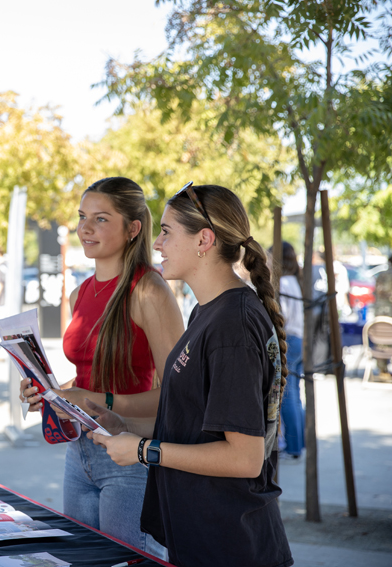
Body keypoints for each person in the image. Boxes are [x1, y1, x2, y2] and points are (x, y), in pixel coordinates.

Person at [87, 183, 293, 567]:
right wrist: (123, 424)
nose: (158, 244)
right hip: (203, 534)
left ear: (204, 240)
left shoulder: (233, 325)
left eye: (166, 232)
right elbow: (195, 424)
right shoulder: (209, 312)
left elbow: (244, 458)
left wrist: (141, 451)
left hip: (230, 542)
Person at [20, 177, 184, 555]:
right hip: (79, 453)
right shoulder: (80, 292)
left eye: (101, 218)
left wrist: (92, 399)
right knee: (81, 560)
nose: (85, 228)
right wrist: (50, 392)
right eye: (81, 217)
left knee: (124, 561)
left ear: (133, 228)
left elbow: (179, 394)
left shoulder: (149, 290)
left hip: (130, 456)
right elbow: (89, 375)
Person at [272, 241, 304, 459]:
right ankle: (298, 445)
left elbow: (283, 317)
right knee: (295, 395)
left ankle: (293, 446)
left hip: (290, 339)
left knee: (288, 396)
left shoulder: (283, 282)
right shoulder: (294, 280)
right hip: (298, 338)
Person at [373, 254, 392, 376]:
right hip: (390, 311)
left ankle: (382, 370)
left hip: (379, 311)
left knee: (381, 341)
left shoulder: (382, 274)